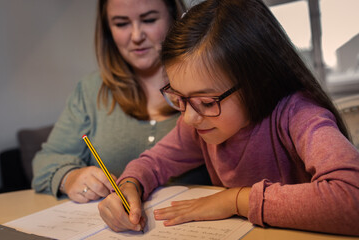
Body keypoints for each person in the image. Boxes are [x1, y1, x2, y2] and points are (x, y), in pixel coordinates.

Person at [97, 0, 359, 236]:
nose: (188, 118)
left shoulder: (298, 114)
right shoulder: (199, 124)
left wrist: (235, 201)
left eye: (207, 102)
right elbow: (153, 163)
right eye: (178, 97)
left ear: (259, 82)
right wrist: (131, 185)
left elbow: (351, 198)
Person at [32, 0, 211, 203]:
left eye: (149, 20)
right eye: (121, 24)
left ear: (175, 18)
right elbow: (46, 161)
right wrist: (70, 177)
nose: (136, 36)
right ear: (108, 30)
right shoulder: (91, 90)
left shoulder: (210, 80)